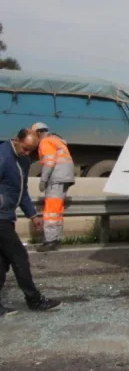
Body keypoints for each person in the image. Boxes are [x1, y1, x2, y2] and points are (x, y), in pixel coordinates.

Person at [0, 129, 62, 317]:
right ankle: (34, 300)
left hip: (7, 216)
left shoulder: (23, 161)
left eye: (32, 150)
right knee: (19, 257)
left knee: (2, 263)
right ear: (16, 140)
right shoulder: (3, 156)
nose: (28, 153)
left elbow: (22, 190)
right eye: (26, 148)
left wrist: (33, 214)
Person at [31, 122, 75, 252]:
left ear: (38, 133)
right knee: (57, 211)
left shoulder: (45, 142)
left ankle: (50, 241)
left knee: (50, 211)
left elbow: (49, 162)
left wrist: (43, 180)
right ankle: (55, 239)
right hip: (65, 178)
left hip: (56, 179)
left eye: (34, 134)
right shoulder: (56, 140)